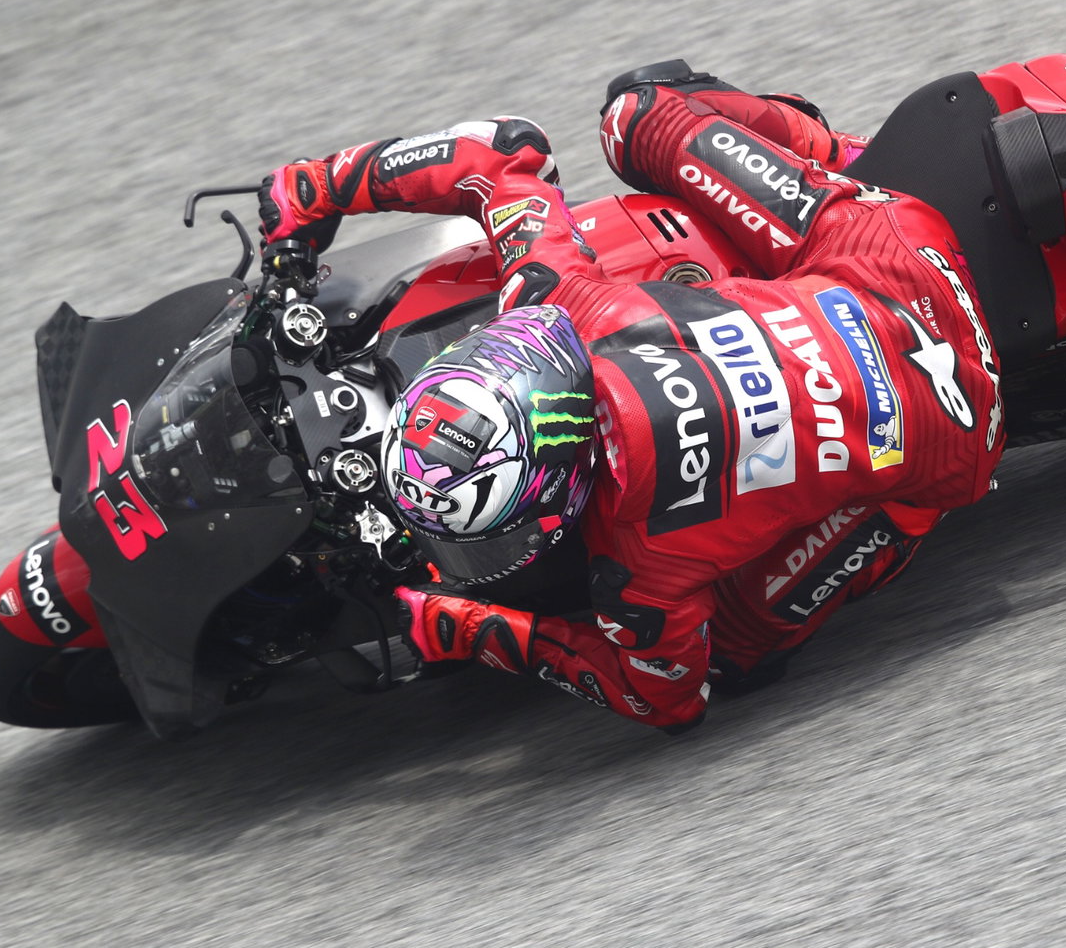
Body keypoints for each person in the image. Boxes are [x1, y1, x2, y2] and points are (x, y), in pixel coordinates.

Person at [258, 61, 1005, 732]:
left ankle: (907, 499)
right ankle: (827, 152)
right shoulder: (564, 299)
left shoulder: (638, 561)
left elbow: (671, 702)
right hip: (895, 256)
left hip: (961, 437)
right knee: (637, 108)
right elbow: (503, 149)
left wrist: (461, 628)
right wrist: (316, 188)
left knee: (735, 658)